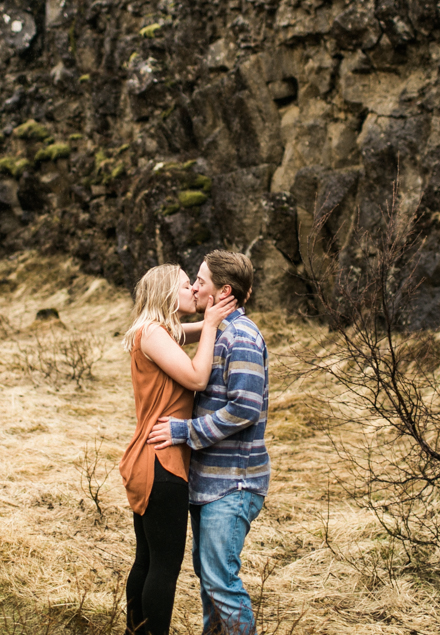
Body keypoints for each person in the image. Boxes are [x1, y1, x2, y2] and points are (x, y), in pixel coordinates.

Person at [148, 250, 269, 635]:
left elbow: (245, 409)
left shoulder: (243, 338)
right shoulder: (220, 332)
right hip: (208, 483)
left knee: (221, 583)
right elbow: (166, 335)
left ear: (223, 291)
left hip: (233, 484)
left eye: (201, 281)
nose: (195, 286)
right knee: (210, 584)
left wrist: (183, 432)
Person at [120, 264, 237, 635]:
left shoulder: (157, 331)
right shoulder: (153, 334)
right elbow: (198, 378)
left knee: (147, 559)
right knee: (164, 567)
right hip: (161, 463)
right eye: (188, 285)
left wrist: (217, 315)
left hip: (149, 460)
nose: (194, 291)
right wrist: (214, 324)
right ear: (169, 294)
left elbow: (196, 329)